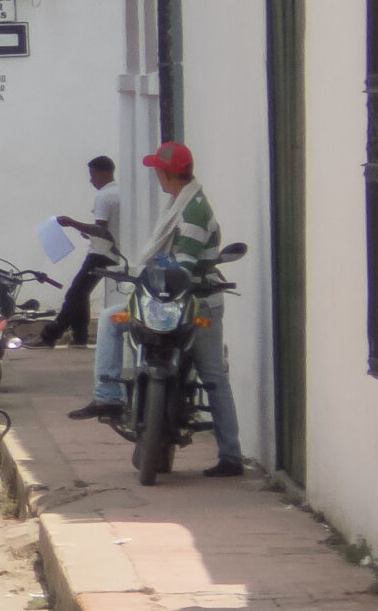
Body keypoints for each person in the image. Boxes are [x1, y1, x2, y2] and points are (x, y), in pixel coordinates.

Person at [71, 141, 244, 476]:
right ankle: (108, 394)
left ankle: (231, 457)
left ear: (168, 174)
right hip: (167, 300)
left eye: (157, 171)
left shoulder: (192, 212)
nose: (156, 178)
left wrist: (156, 273)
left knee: (212, 377)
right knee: (112, 318)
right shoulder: (180, 204)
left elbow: (186, 267)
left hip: (197, 305)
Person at [42, 156, 121, 349]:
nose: (91, 180)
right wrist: (87, 233)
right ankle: (79, 337)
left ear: (104, 173)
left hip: (101, 253)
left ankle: (51, 335)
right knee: (81, 293)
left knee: (75, 293)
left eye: (93, 175)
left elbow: (101, 229)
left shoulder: (103, 195)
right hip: (113, 250)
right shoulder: (120, 192)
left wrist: (72, 223)